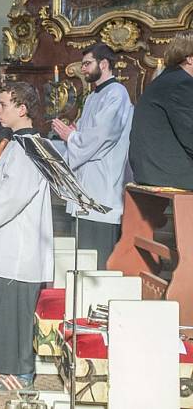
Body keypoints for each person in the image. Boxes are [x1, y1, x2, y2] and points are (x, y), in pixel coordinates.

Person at [0, 82, 54, 394]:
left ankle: (20, 373)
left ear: (22, 109)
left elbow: (12, 197)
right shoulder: (17, 144)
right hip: (6, 242)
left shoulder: (30, 148)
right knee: (2, 307)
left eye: (3, 105)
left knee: (15, 310)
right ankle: (4, 366)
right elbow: (4, 185)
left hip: (20, 246)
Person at [51, 44, 133, 269]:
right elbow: (87, 135)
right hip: (87, 186)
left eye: (87, 64)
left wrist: (72, 137)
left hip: (103, 187)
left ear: (104, 64)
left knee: (97, 260)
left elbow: (102, 136)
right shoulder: (92, 97)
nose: (83, 69)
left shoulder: (116, 94)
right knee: (82, 259)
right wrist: (74, 136)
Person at [129, 31, 193, 190]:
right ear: (190, 59)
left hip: (150, 168)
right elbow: (189, 134)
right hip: (168, 170)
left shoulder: (166, 79)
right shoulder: (181, 84)